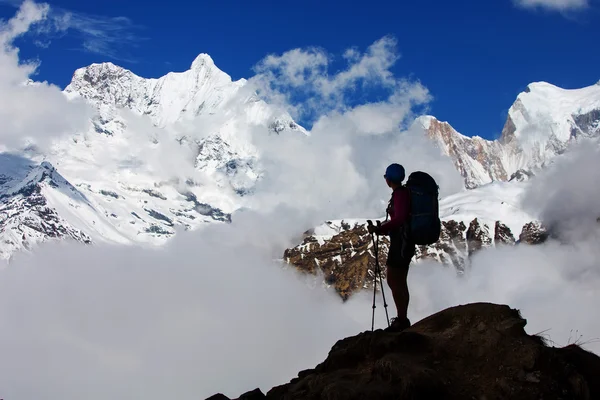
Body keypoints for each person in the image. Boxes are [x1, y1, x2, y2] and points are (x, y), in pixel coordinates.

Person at [367, 163, 415, 330]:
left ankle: (401, 320)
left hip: (401, 243)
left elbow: (400, 219)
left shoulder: (400, 195)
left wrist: (380, 229)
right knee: (399, 280)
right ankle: (402, 318)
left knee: (395, 280)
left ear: (388, 179)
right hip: (404, 242)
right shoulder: (403, 193)